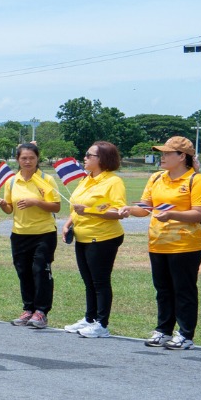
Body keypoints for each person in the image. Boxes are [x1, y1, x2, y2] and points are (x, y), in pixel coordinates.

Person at [127, 135, 201, 350]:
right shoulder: (156, 178)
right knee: (163, 289)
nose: (162, 157)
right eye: (162, 153)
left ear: (182, 156)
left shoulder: (197, 180)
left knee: (183, 290)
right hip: (158, 242)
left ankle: (185, 334)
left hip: (186, 245)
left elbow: (199, 213)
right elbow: (145, 207)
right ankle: (163, 331)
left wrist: (172, 215)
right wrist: (128, 209)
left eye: (167, 153)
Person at [63, 141, 127, 338]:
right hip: (82, 236)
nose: (84, 158)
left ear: (102, 159)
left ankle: (101, 324)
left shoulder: (113, 182)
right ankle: (89, 318)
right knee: (88, 281)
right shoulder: (86, 179)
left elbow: (118, 212)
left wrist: (89, 211)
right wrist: (68, 223)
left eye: (89, 155)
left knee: (100, 282)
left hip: (103, 237)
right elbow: (77, 207)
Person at [0, 142, 61, 329]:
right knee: (23, 272)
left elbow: (56, 206)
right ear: (17, 159)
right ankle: (28, 309)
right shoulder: (12, 181)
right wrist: (2, 204)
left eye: (31, 158)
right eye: (24, 158)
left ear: (37, 159)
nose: (28, 161)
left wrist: (36, 202)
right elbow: (10, 209)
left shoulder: (46, 179)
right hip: (19, 234)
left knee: (40, 271)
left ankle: (41, 312)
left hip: (44, 233)